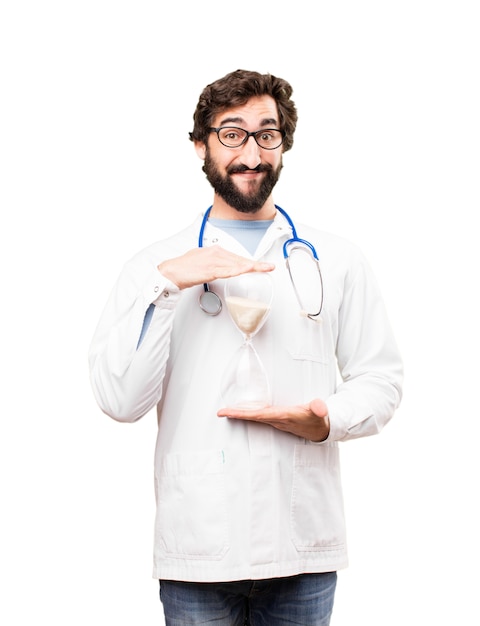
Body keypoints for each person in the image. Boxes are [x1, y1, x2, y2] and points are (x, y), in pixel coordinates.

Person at [88, 69, 403, 625]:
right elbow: (120, 401)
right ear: (201, 145)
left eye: (267, 134)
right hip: (199, 548)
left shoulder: (336, 258)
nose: (251, 153)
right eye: (231, 133)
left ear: (283, 145)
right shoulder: (154, 266)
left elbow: (381, 379)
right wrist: (166, 287)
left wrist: (328, 418)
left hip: (302, 541)